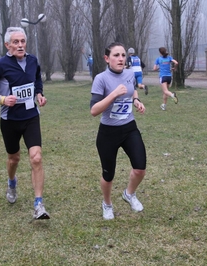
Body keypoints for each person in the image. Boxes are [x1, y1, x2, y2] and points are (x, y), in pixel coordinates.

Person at [0, 27, 50, 220]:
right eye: (16, 42)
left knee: (36, 157)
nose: (20, 45)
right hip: (10, 120)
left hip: (31, 117)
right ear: (7, 45)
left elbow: (36, 81)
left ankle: (39, 204)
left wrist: (39, 94)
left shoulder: (33, 60)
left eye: (22, 41)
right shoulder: (0, 65)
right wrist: (1, 99)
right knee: (14, 159)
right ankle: (12, 182)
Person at [90, 42, 147, 220]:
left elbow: (131, 92)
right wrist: (113, 94)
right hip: (108, 132)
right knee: (109, 175)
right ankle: (107, 204)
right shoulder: (101, 79)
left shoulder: (130, 74)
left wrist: (136, 101)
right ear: (107, 59)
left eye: (123, 55)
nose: (121, 59)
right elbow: (94, 110)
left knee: (140, 168)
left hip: (129, 128)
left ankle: (129, 194)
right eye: (116, 55)